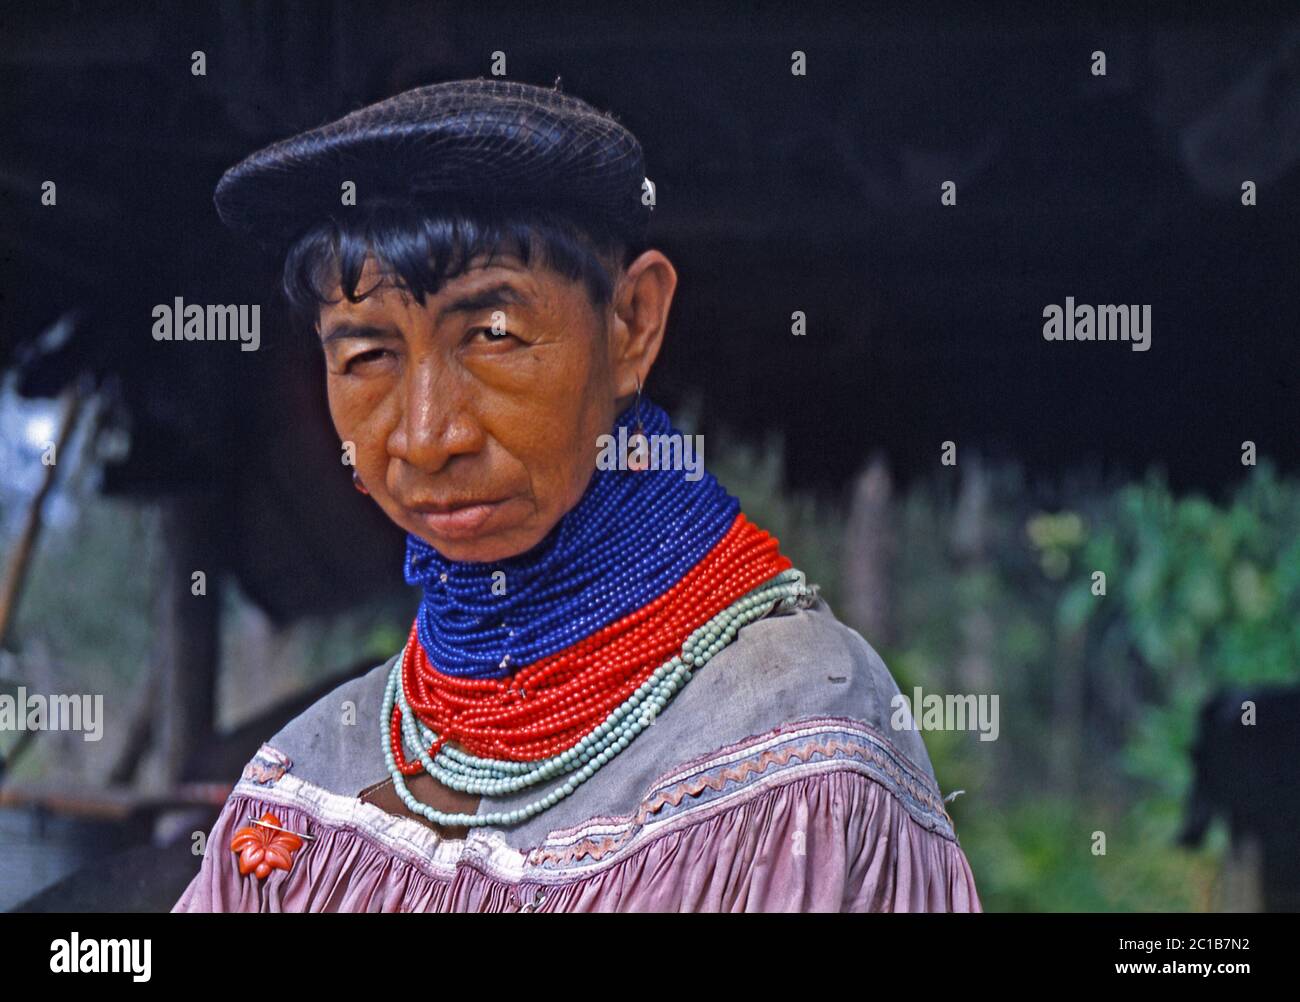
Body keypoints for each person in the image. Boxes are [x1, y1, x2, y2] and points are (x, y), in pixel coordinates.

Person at [173, 78, 981, 912]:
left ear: (632, 323)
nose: (425, 436)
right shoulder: (304, 791)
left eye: (493, 335)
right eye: (368, 355)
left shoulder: (800, 734)